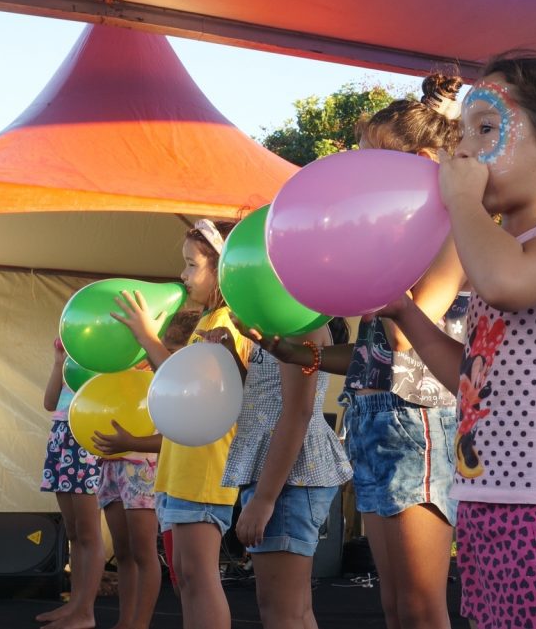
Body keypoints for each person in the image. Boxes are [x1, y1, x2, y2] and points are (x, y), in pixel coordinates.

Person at [366, 52, 536, 628]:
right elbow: (472, 377)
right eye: (462, 133)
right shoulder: (501, 253)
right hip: (487, 510)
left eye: (486, 129)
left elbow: (506, 283)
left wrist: (463, 202)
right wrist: (405, 312)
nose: (462, 150)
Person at [258, 73, 467, 629]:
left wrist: (373, 286)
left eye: (373, 155)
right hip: (372, 420)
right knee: (393, 605)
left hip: (418, 422)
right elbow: (376, 355)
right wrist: (299, 354)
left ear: (422, 161)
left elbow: (408, 333)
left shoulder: (453, 232)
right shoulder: (393, 240)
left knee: (422, 607)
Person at [112, 219, 252, 629]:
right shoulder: (205, 323)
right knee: (185, 578)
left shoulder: (227, 321)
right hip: (181, 468)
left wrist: (146, 337)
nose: (183, 275)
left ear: (220, 271)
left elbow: (193, 385)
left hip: (204, 468)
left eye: (192, 265)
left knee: (198, 576)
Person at [203, 316, 353, 628]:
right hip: (281, 473)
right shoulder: (278, 320)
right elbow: (262, 391)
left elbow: (298, 411)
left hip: (289, 475)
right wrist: (231, 353)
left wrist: (264, 499)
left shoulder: (298, 323)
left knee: (279, 612)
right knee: (295, 610)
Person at [89, 311, 199, 629]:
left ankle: (140, 623)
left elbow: (177, 435)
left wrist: (131, 440)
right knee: (122, 550)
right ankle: (125, 621)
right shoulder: (135, 371)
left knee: (142, 551)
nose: (159, 355)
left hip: (143, 466)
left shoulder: (180, 382)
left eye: (170, 349)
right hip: (114, 463)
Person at [36, 340, 104, 629]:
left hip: (87, 434)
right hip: (62, 433)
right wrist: (58, 360)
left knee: (89, 533)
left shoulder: (107, 358)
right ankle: (74, 605)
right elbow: (50, 402)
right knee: (74, 532)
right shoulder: (71, 360)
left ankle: (85, 612)